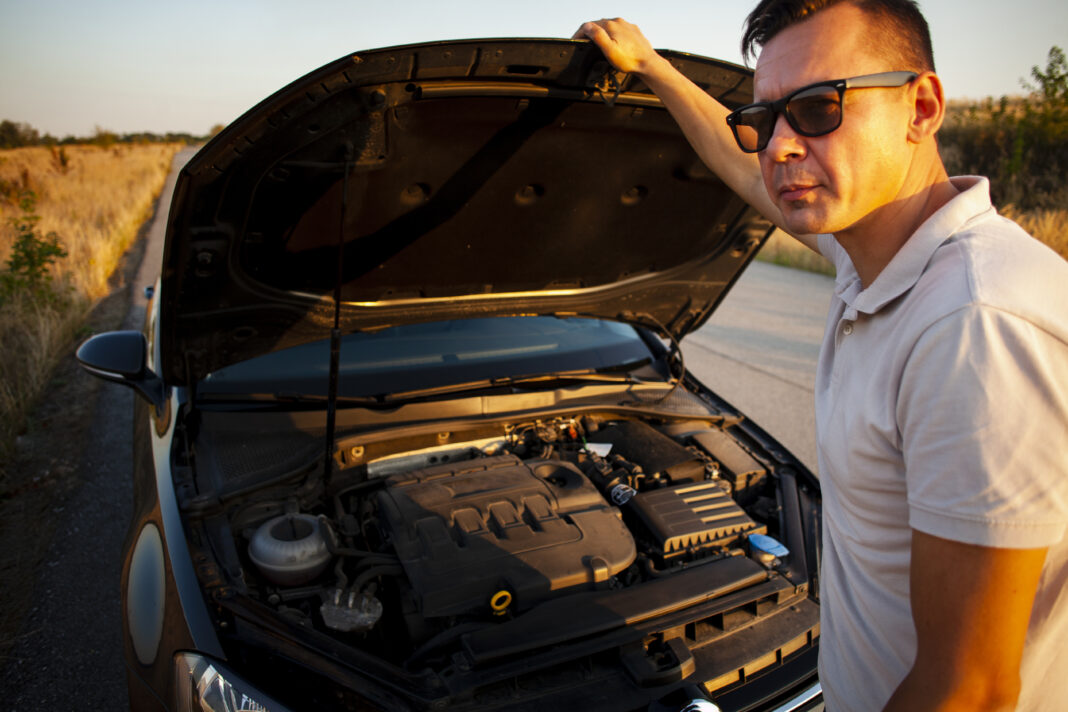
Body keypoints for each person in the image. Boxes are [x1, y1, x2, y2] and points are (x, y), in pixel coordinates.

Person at [574, 2, 1068, 710]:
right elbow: (745, 171)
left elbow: (973, 691)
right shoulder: (875, 256)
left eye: (817, 107)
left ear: (921, 107)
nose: (777, 147)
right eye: (765, 120)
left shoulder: (975, 325)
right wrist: (652, 67)